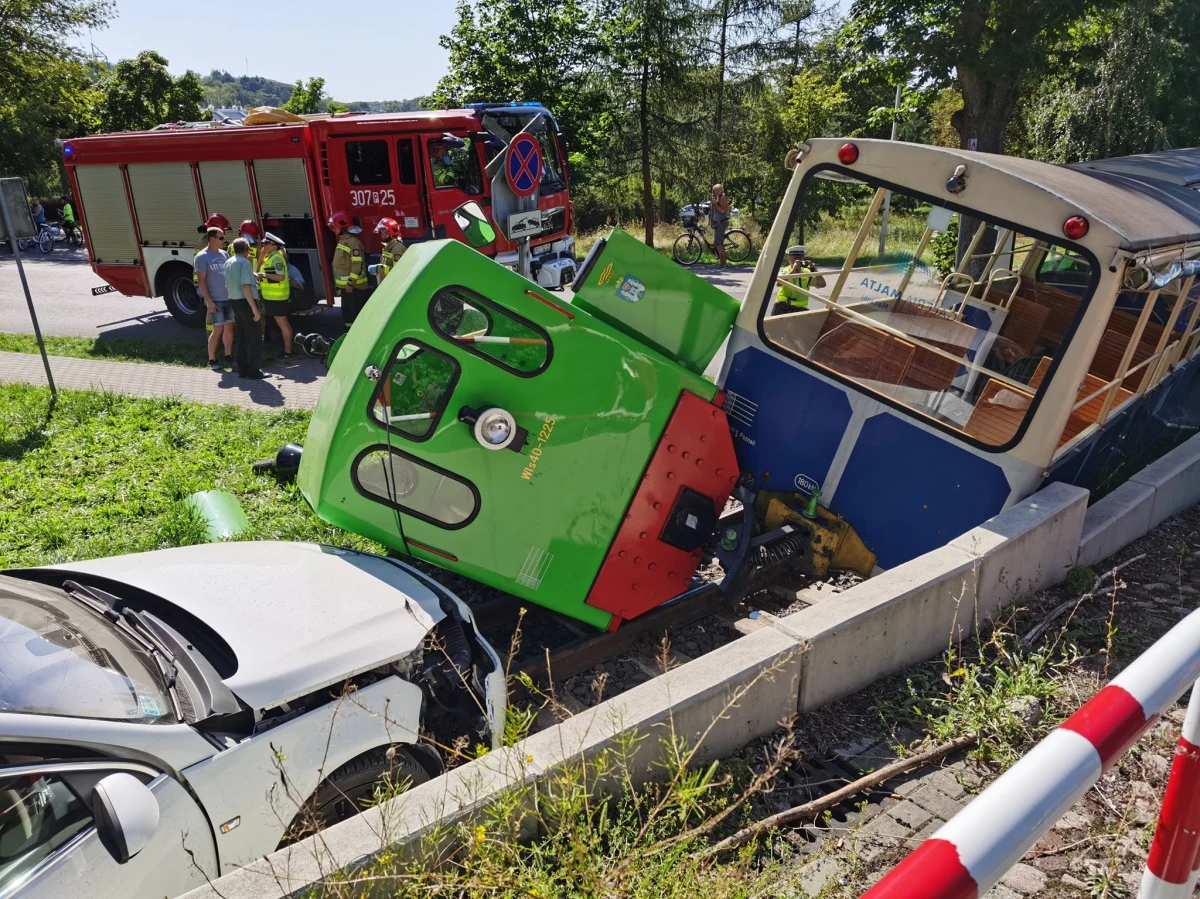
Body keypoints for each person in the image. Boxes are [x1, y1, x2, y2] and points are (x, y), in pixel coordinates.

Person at [224, 238, 264, 379]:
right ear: (247, 249)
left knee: (240, 337)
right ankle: (254, 372)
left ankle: (243, 370)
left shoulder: (228, 262)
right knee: (254, 338)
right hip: (246, 302)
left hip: (234, 301)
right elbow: (246, 286)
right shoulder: (245, 263)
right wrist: (254, 308)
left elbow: (227, 285)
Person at [193, 226, 233, 370]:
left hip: (229, 298)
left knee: (229, 326)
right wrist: (208, 300)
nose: (224, 240)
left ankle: (229, 356)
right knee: (217, 329)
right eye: (221, 237)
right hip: (215, 300)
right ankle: (212, 359)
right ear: (212, 239)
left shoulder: (224, 255)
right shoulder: (202, 257)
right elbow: (201, 280)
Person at [255, 232, 294, 357]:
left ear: (274, 246)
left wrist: (264, 275)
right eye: (263, 243)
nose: (263, 245)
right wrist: (261, 257)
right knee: (280, 323)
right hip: (270, 297)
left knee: (282, 323)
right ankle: (287, 350)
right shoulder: (269, 257)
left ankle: (288, 351)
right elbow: (258, 272)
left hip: (277, 297)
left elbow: (280, 277)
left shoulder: (276, 258)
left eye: (266, 243)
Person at [328, 210, 368, 323]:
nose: (333, 229)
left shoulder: (353, 243)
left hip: (354, 288)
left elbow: (357, 264)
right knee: (347, 314)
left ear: (343, 227)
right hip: (346, 289)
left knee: (355, 315)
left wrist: (350, 283)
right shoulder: (342, 242)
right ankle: (348, 336)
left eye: (335, 226)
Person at [772, 245, 827, 315]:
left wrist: (815, 271)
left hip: (800, 309)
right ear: (789, 259)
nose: (798, 260)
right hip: (783, 307)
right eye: (795, 257)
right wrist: (793, 271)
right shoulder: (785, 271)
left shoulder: (806, 273)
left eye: (800, 258)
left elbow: (822, 284)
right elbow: (779, 284)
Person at [374, 217, 407, 284]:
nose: (382, 235)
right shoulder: (388, 247)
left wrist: (379, 269)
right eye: (381, 233)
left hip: (394, 285)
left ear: (391, 233)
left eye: (384, 233)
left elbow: (397, 271)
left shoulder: (397, 248)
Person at [710, 184, 731, 266]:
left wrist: (715, 204)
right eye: (715, 190)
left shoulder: (722, 198)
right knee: (720, 243)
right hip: (719, 222)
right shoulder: (719, 197)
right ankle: (723, 261)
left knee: (717, 243)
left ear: (722, 190)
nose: (716, 192)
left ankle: (722, 262)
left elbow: (722, 210)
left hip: (721, 222)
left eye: (718, 190)